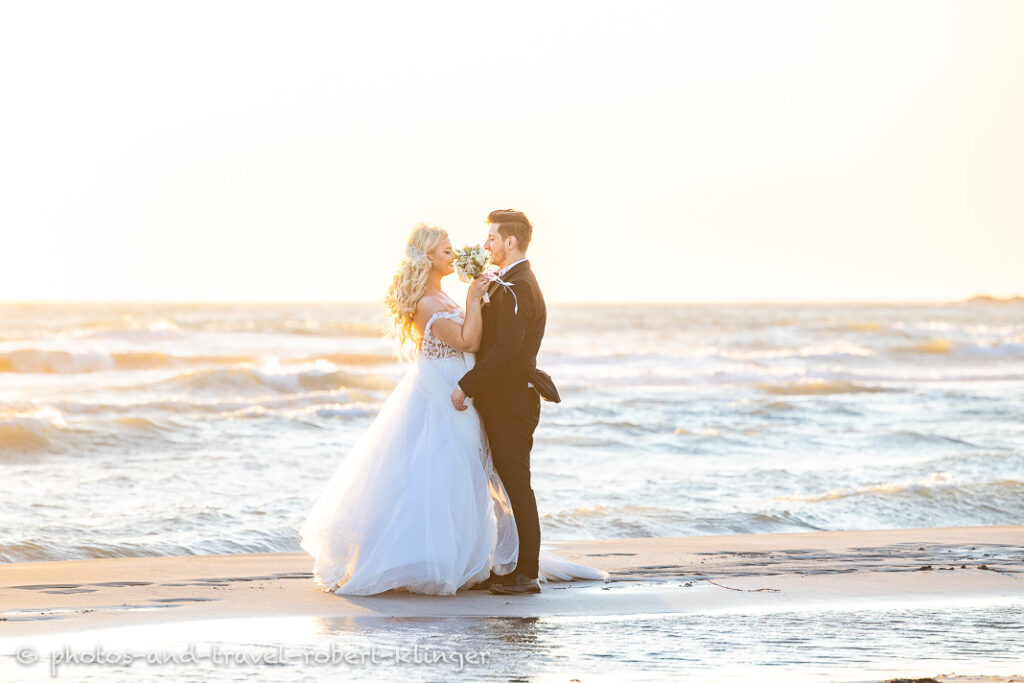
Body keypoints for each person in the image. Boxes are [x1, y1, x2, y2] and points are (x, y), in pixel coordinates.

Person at [298, 220, 607, 596]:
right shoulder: (430, 304)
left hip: (471, 395)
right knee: (441, 478)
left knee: (489, 483)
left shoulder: (512, 286)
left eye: (489, 238)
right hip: (445, 395)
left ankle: (515, 570)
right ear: (427, 258)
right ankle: (450, 561)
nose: (459, 253)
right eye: (447, 250)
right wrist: (474, 302)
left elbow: (499, 346)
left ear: (509, 241)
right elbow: (470, 340)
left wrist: (469, 370)